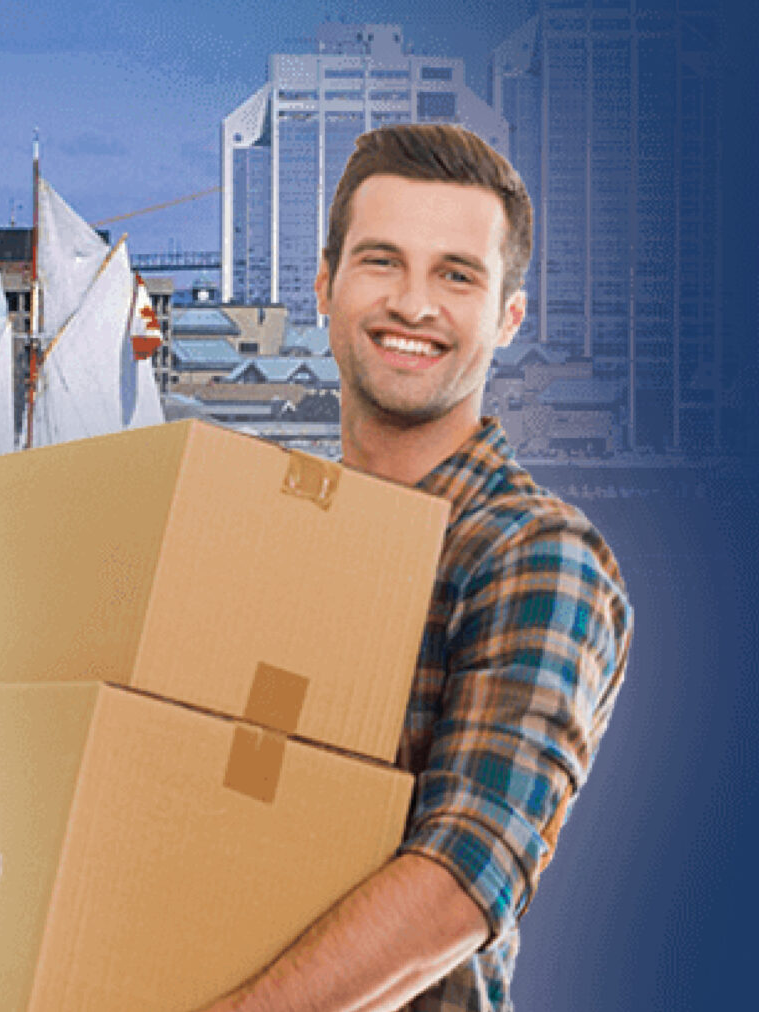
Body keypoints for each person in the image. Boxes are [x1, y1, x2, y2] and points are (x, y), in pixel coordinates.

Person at [194, 126, 630, 1012]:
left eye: (457, 274)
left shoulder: (534, 552)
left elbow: (467, 872)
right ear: (325, 287)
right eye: (382, 261)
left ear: (509, 316)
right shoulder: (264, 537)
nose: (414, 304)